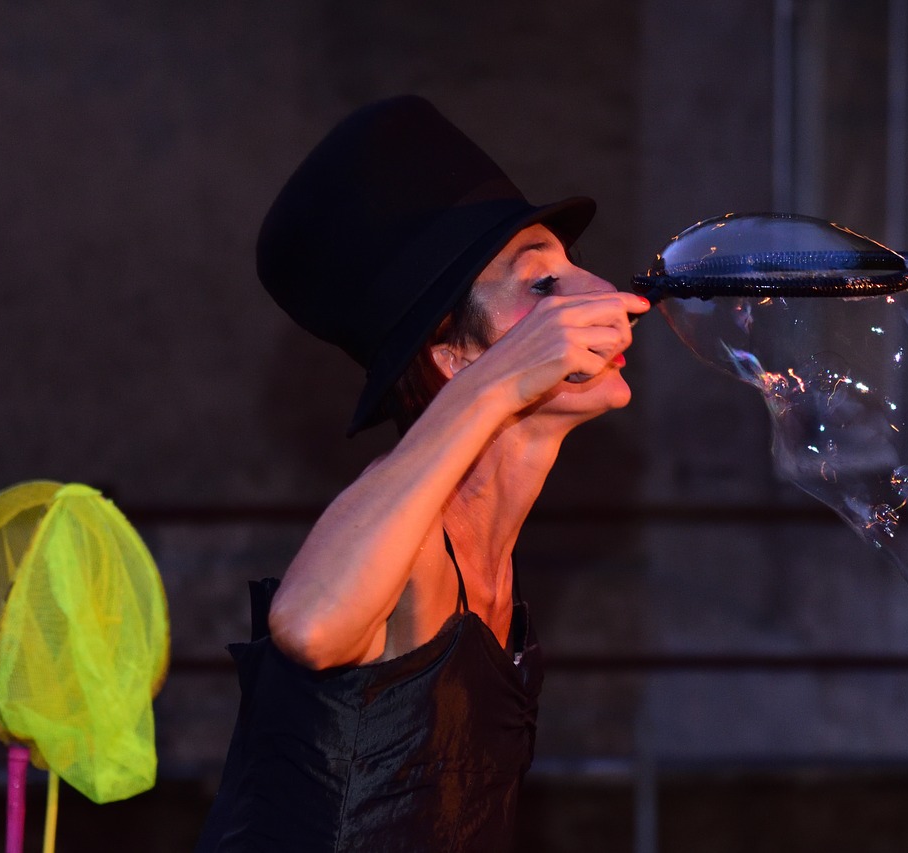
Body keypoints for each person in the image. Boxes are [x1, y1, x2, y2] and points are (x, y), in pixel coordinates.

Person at [194, 95, 649, 853]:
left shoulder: (496, 575)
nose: (599, 296)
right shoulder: (407, 542)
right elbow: (306, 625)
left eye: (574, 268)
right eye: (541, 284)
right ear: (456, 357)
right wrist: (500, 384)